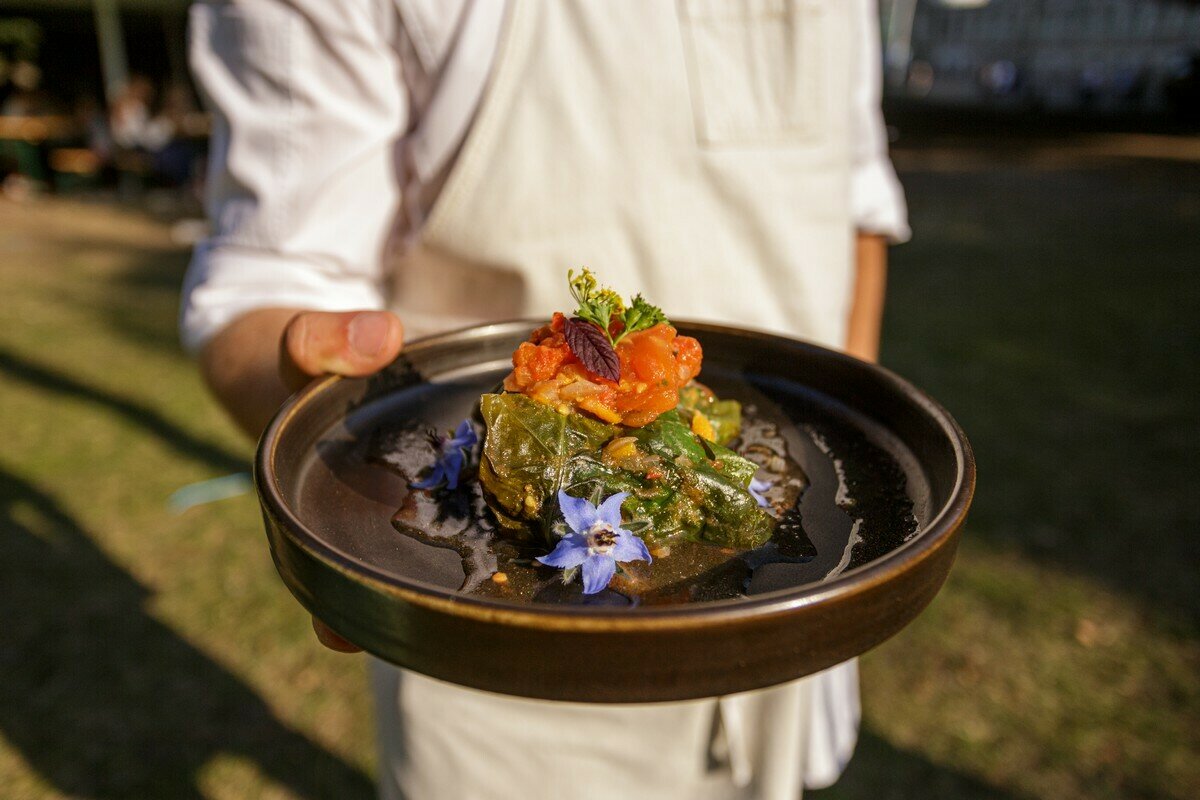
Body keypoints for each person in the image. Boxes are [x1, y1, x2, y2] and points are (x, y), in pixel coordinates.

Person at [182, 2, 909, 798]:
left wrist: (846, 424)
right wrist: (333, 470)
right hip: (509, 673)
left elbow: (858, 209)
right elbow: (264, 281)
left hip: (798, 607)